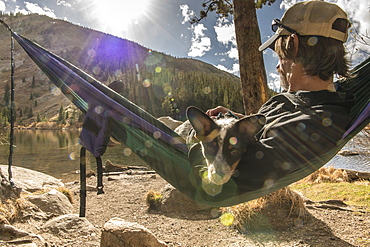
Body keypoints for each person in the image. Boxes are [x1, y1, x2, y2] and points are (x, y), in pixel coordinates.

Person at [202, 0, 355, 191]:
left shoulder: (319, 122)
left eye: (279, 54)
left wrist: (203, 134)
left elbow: (250, 166)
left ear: (294, 43)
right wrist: (233, 122)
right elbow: (271, 132)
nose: (277, 66)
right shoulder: (306, 103)